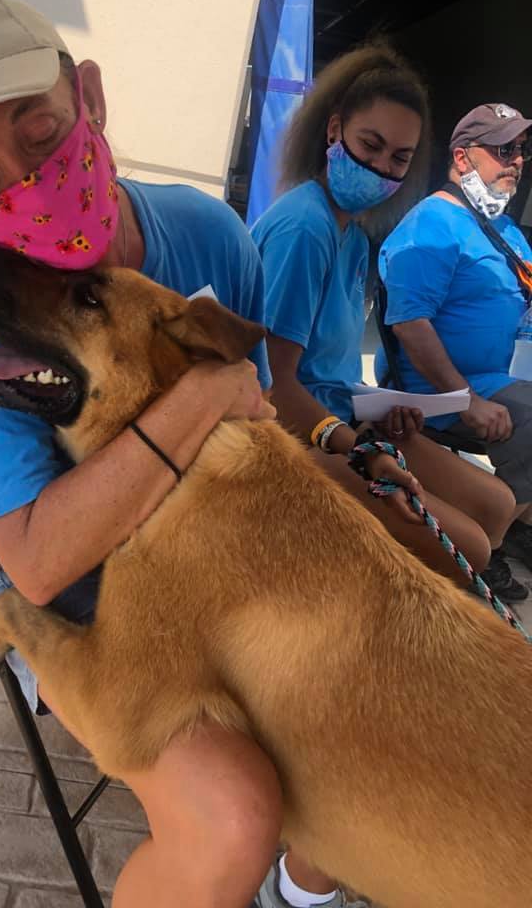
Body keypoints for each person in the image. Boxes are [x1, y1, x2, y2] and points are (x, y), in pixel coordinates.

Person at [0, 0, 283, 908]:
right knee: (231, 816)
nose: (19, 182)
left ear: (89, 99)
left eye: (38, 132)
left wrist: (346, 448)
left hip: (204, 552)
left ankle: (305, 881)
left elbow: (281, 397)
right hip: (70, 587)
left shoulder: (208, 233)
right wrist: (199, 403)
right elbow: (37, 561)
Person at [250, 48, 521, 907]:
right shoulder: (300, 228)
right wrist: (351, 441)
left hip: (352, 420)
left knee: (495, 504)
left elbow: (328, 368)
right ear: (333, 132)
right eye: (369, 146)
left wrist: (385, 411)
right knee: (467, 547)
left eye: (399, 157)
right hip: (290, 445)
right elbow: (272, 385)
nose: (382, 168)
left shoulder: (344, 226)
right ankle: (371, 763)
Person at [378, 102, 532, 599]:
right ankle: (488, 545)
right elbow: (409, 323)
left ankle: (516, 524)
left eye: (521, 150)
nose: (516, 160)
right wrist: (467, 400)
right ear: (463, 159)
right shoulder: (431, 226)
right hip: (435, 392)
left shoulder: (504, 229)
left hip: (494, 375)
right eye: (503, 149)